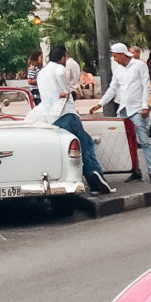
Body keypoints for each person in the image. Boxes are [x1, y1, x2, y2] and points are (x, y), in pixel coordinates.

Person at [35, 44, 112, 194]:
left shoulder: (42, 73)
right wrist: (68, 92)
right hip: (66, 113)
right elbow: (66, 92)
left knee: (68, 149)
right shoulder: (59, 70)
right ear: (63, 58)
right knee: (86, 144)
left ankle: (75, 179)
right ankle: (95, 177)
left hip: (50, 117)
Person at [101, 43, 151, 182]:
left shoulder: (139, 65)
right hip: (124, 109)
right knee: (129, 143)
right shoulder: (119, 70)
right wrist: (100, 103)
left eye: (115, 56)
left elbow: (146, 85)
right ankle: (135, 170)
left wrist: (145, 106)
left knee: (144, 141)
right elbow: (112, 88)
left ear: (122, 54)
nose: (115, 59)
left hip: (138, 108)